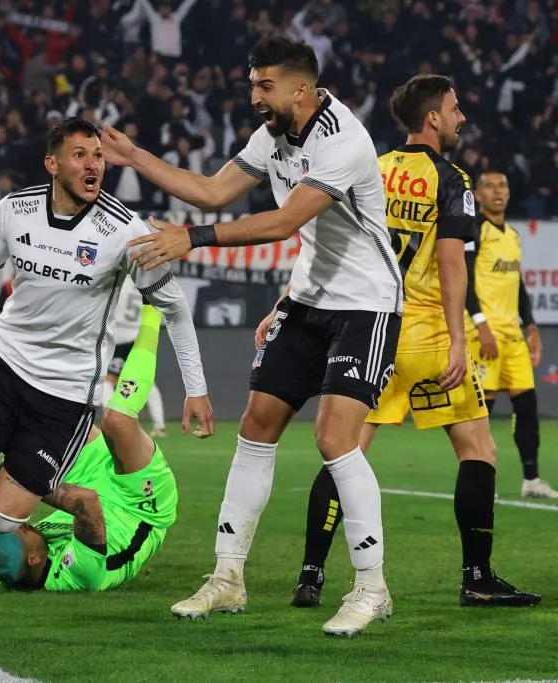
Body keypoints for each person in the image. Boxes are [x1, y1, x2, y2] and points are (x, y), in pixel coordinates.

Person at [102, 35, 401, 636]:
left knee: (334, 438)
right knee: (257, 425)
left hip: (366, 306)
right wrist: (136, 158)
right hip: (308, 299)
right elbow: (213, 190)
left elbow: (286, 221)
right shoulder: (272, 137)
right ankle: (228, 578)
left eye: (265, 86)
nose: (254, 96)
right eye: (252, 84)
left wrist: (194, 237)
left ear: (302, 88)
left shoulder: (343, 142)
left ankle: (372, 588)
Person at [0, 118, 213, 638]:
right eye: (81, 155)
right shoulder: (13, 212)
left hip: (64, 394)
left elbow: (174, 310)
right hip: (2, 361)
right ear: (53, 165)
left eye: (98, 156)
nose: (93, 165)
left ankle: (1, 479)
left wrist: (196, 388)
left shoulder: (126, 232)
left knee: (1, 521)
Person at [290, 76, 541, 610]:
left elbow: (326, 247)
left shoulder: (370, 168)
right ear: (433, 118)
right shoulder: (451, 178)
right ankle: (477, 576)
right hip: (426, 332)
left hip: (371, 329)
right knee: (478, 449)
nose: (461, 119)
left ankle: (310, 574)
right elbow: (452, 263)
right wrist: (458, 338)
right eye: (455, 109)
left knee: (345, 452)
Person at [0, 305, 177, 592]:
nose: (22, 522)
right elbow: (87, 502)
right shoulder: (79, 574)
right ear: (34, 559)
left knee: (26, 423)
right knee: (117, 421)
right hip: (138, 506)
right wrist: (17, 480)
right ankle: (154, 309)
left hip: (86, 476)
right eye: (25, 529)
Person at [466, 170, 555, 499]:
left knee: (528, 406)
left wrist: (531, 325)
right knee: (482, 410)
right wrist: (480, 324)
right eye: (489, 186)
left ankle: (531, 479)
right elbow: (464, 280)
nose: (497, 191)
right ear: (477, 195)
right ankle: (480, 480)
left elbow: (517, 285)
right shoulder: (475, 230)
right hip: (483, 332)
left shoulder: (513, 236)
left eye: (502, 185)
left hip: (512, 333)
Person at [104, 277, 167, 438]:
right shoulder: (146, 282)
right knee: (147, 383)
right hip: (138, 337)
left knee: (106, 380)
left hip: (117, 336)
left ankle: (110, 417)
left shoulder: (120, 279)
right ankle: (159, 425)